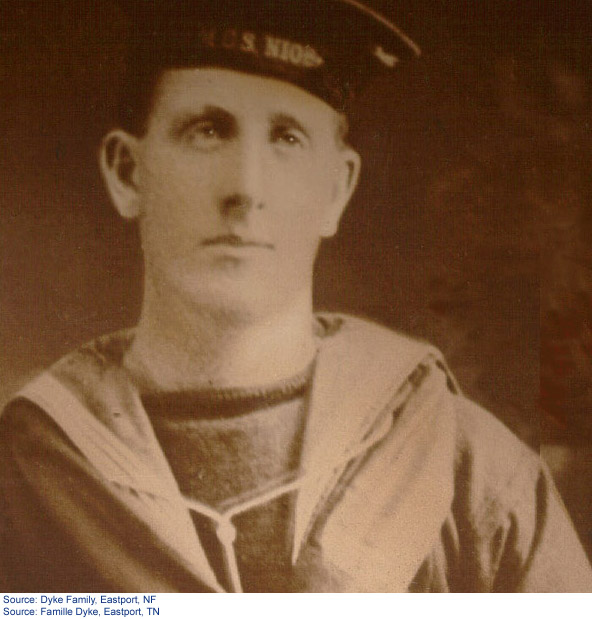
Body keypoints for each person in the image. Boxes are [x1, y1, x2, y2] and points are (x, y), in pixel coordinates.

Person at [0, 0, 590, 593]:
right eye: (207, 131)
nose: (245, 188)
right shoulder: (25, 474)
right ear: (128, 172)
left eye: (287, 137)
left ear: (336, 190)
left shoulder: (469, 471)